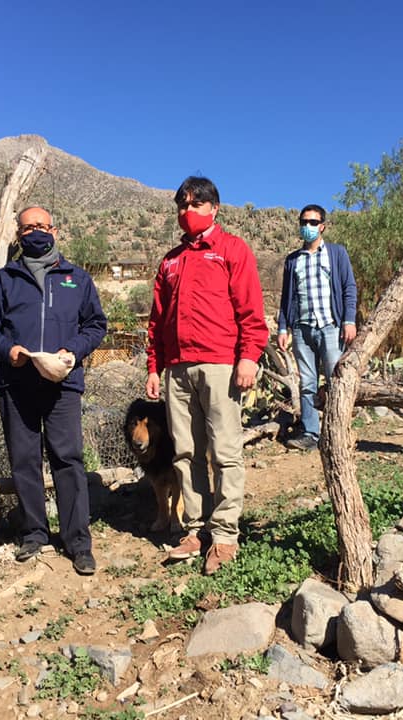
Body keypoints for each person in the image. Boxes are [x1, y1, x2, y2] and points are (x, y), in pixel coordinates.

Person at [0, 206, 107, 575]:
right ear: (18, 234)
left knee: (68, 459)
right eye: (27, 227)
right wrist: (8, 349)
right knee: (25, 461)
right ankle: (34, 533)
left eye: (41, 226)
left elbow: (96, 325)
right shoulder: (4, 279)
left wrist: (74, 351)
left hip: (63, 384)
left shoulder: (75, 279)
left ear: (55, 230)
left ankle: (78, 541)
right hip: (16, 383)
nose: (35, 232)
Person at [146, 176, 268, 575]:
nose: (187, 212)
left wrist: (249, 357)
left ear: (214, 208)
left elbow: (251, 310)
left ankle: (225, 535)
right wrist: (154, 366)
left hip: (220, 365)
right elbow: (157, 320)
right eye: (182, 206)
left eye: (195, 205)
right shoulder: (170, 260)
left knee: (226, 452)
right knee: (185, 452)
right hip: (177, 370)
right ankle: (195, 530)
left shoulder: (232, 250)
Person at [276, 204, 358, 451]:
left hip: (331, 327)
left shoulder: (336, 253)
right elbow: (287, 297)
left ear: (323, 226)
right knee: (308, 383)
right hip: (302, 329)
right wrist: (283, 327)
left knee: (335, 380)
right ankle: (311, 433)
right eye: (304, 222)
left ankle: (337, 431)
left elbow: (348, 288)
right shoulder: (293, 260)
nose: (307, 227)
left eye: (313, 222)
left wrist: (349, 319)